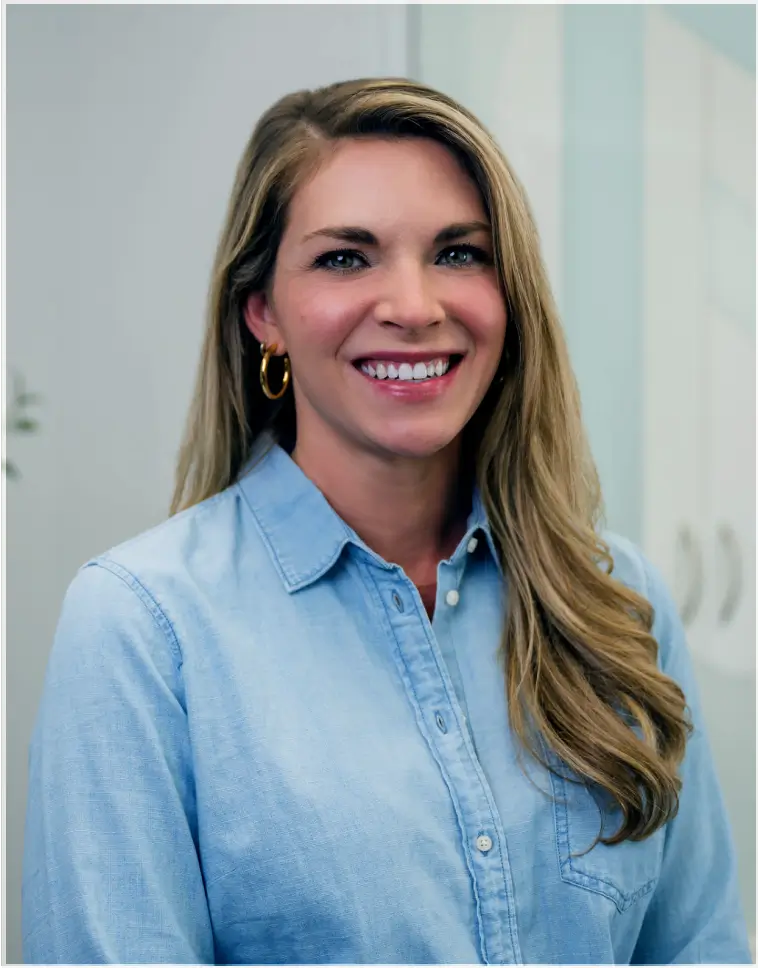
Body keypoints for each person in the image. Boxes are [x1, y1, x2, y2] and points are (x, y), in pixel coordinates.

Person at [22, 77, 751, 965]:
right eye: (345, 258)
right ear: (263, 313)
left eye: (458, 254)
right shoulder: (144, 628)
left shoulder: (617, 599)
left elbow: (700, 945)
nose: (413, 306)